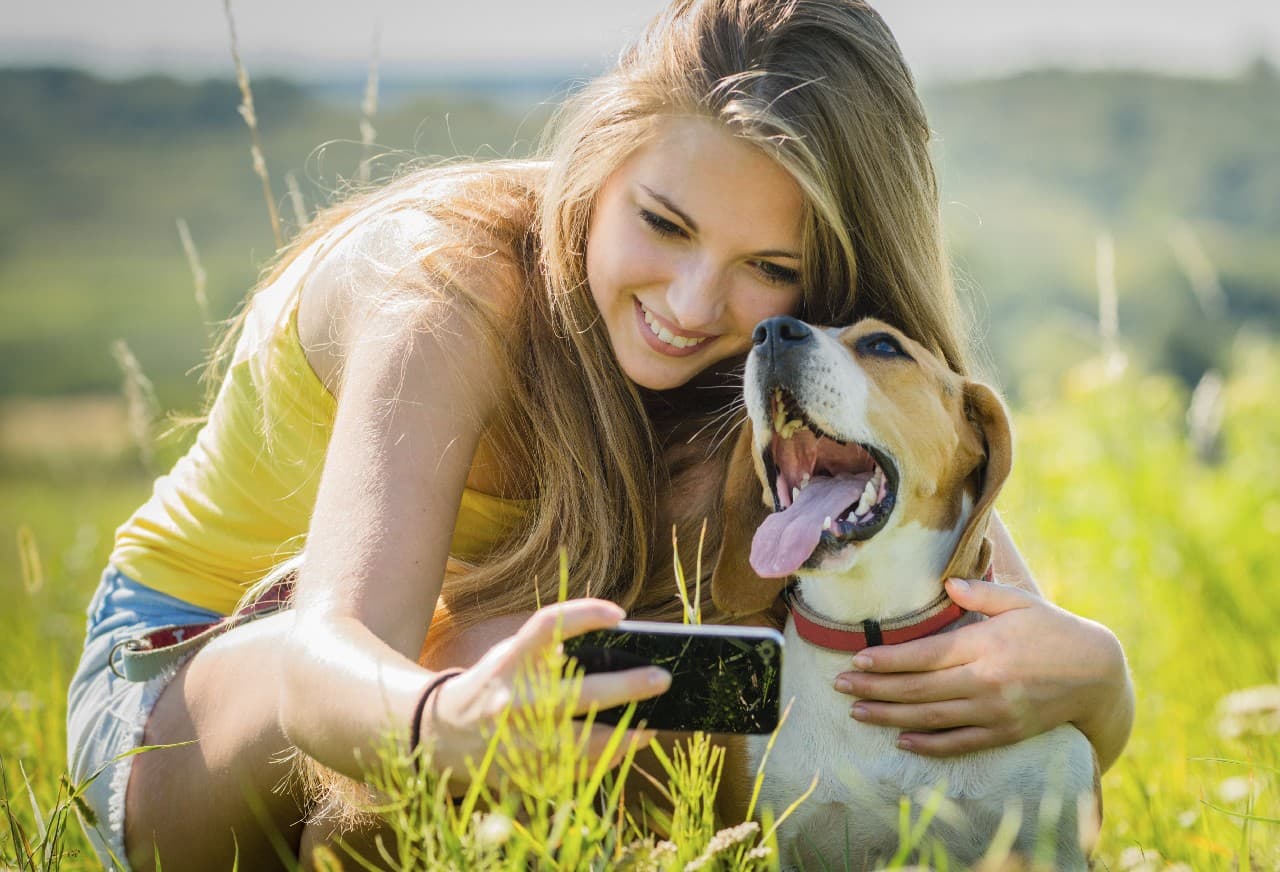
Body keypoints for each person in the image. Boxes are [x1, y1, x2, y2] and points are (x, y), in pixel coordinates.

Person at [65, 0, 1134, 869]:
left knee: (713, 667)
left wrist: (1099, 681)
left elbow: (992, 648)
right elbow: (324, 659)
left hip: (457, 699)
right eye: (662, 224)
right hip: (198, 692)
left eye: (768, 269)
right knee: (586, 666)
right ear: (600, 161)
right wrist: (443, 721)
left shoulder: (785, 370)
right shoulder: (445, 287)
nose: (690, 300)